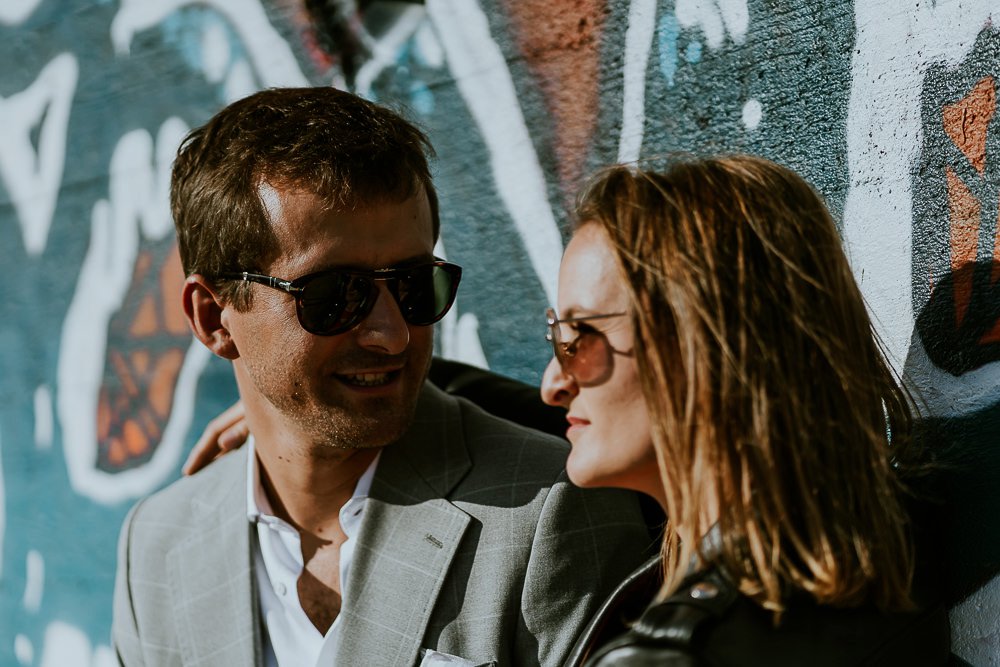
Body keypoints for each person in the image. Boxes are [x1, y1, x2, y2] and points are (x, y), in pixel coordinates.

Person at [110, 87, 652, 667]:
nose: (392, 335)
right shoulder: (156, 547)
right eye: (335, 296)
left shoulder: (551, 516)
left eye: (417, 286)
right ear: (214, 317)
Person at [543, 156, 951, 665]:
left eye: (579, 337)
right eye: (556, 335)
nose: (552, 385)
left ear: (705, 346)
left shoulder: (674, 654)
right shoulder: (887, 578)